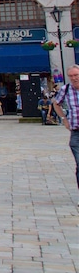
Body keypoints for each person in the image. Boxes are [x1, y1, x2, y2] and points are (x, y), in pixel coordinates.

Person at [52, 64, 79, 206]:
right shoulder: (66, 89)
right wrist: (64, 119)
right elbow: (56, 103)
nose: (74, 78)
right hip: (76, 132)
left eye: (76, 75)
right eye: (71, 76)